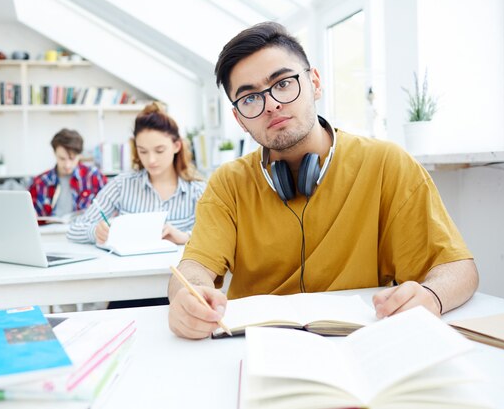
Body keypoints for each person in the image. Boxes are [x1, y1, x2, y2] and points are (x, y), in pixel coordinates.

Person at [168, 22, 479, 339]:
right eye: (249, 99)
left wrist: (433, 296)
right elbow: (192, 269)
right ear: (239, 120)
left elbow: (458, 268)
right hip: (257, 345)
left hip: (362, 341)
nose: (272, 104)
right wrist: (187, 297)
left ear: (314, 82)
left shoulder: (387, 164)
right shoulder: (227, 184)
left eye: (284, 83)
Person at [68, 102, 205, 246]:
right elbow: (74, 230)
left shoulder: (197, 190)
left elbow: (217, 237)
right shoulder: (121, 185)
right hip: (128, 267)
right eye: (143, 151)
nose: (151, 160)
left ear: (177, 146)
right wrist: (95, 231)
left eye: (159, 150)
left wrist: (185, 237)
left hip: (178, 268)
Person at [28, 128, 107, 217]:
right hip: (49, 230)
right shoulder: (39, 182)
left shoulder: (94, 176)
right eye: (62, 158)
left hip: (84, 230)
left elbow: (109, 209)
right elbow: (29, 215)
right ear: (54, 153)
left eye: (72, 159)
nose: (67, 165)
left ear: (79, 155)